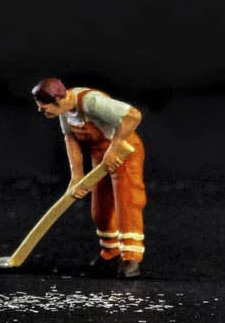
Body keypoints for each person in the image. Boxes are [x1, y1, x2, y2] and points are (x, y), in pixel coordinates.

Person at [31, 77, 147, 278]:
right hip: (100, 158)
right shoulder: (64, 110)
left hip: (124, 153)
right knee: (100, 209)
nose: (41, 111)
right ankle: (110, 253)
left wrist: (115, 146)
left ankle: (131, 258)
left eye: (43, 108)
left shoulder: (90, 102)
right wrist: (76, 176)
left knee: (127, 204)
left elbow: (133, 115)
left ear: (58, 101)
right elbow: (71, 139)